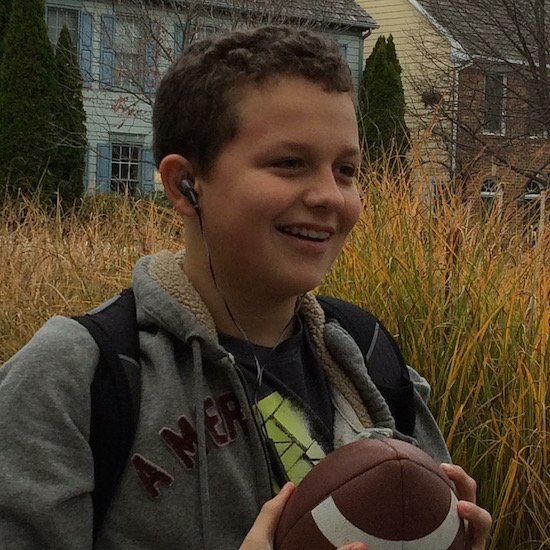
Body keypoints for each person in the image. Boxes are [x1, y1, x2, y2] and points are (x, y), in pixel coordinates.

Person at [0, 25, 491, 550]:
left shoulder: (367, 355)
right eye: (289, 163)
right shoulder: (77, 378)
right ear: (185, 186)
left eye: (346, 169)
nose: (330, 195)